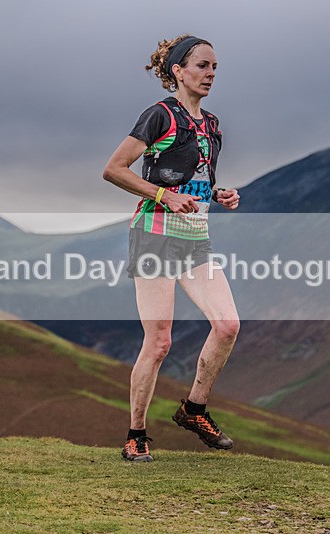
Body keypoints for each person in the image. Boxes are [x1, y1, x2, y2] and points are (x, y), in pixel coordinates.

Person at [103, 35, 241, 462]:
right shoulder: (160, 115)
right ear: (178, 71)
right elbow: (114, 169)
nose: (210, 73)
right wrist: (164, 196)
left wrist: (218, 193)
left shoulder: (212, 124)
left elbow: (191, 179)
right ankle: (136, 435)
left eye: (214, 67)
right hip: (155, 235)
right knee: (159, 342)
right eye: (202, 65)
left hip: (195, 239)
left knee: (228, 326)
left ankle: (193, 410)